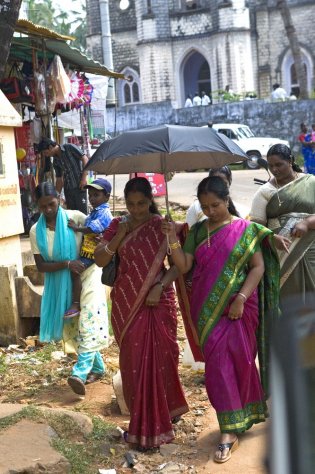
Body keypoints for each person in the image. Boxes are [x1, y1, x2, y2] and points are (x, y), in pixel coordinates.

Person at [161, 176, 280, 463]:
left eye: (215, 205)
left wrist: (240, 298)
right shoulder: (198, 231)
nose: (210, 211)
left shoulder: (246, 230)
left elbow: (258, 267)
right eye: (205, 207)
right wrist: (170, 239)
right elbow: (186, 266)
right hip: (206, 312)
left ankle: (240, 418)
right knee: (217, 366)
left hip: (239, 309)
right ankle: (228, 428)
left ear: (227, 200)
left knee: (239, 361)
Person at [94, 177, 189, 451]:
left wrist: (160, 285)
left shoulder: (162, 226)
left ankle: (167, 412)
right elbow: (100, 259)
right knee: (133, 361)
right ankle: (144, 418)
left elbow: (178, 266)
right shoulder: (117, 225)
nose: (136, 210)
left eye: (142, 204)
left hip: (157, 300)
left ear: (150, 201)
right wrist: (121, 235)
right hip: (126, 301)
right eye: (131, 204)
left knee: (163, 357)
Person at [29, 182, 109, 395]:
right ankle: (98, 367)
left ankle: (79, 373)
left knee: (89, 318)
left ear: (59, 200)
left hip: (89, 273)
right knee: (73, 324)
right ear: (37, 205)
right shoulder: (36, 231)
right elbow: (41, 266)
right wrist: (66, 264)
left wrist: (103, 241)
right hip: (63, 279)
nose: (48, 210)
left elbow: (102, 233)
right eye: (43, 206)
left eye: (52, 204)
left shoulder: (77, 218)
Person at [250, 143, 315, 304]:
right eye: (271, 166)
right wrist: (272, 238)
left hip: (311, 250)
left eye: (279, 164)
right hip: (280, 254)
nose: (275, 169)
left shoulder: (311, 182)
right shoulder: (264, 192)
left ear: (291, 161)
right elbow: (254, 228)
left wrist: (307, 223)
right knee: (288, 300)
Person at [64, 178, 113, 319]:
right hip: (88, 249)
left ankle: (75, 304)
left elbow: (91, 229)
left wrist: (76, 228)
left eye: (96, 195)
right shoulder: (94, 212)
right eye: (90, 195)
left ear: (107, 197)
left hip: (93, 253)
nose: (92, 198)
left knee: (75, 271)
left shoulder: (103, 213)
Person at [37, 138, 89, 214]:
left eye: (45, 152)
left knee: (82, 214)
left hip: (80, 186)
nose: (46, 155)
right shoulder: (55, 161)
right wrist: (56, 195)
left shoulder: (69, 147)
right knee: (71, 215)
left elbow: (85, 159)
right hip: (68, 191)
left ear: (51, 147)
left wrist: (84, 178)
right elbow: (59, 179)